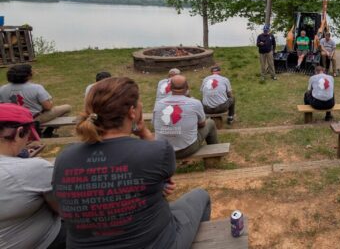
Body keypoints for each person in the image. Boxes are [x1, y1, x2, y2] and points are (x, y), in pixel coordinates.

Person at [52, 77, 211, 247]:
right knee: (201, 196)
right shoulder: (156, 152)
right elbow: (161, 177)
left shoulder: (64, 158)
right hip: (156, 243)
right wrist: (143, 131)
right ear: (132, 112)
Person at [0, 103, 64, 249]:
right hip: (47, 241)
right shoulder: (35, 168)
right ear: (19, 132)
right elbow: (63, 209)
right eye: (28, 135)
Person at [153, 75, 218, 159]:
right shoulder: (195, 103)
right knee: (211, 123)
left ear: (170, 87)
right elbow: (202, 124)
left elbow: (155, 125)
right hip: (187, 149)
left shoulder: (158, 104)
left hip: (163, 150)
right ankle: (215, 154)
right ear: (187, 87)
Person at [0, 64, 72, 136]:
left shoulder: (2, 89)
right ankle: (48, 132)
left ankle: (40, 129)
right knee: (67, 107)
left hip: (13, 119)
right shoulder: (36, 88)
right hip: (33, 119)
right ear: (27, 75)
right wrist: (50, 102)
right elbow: (48, 107)